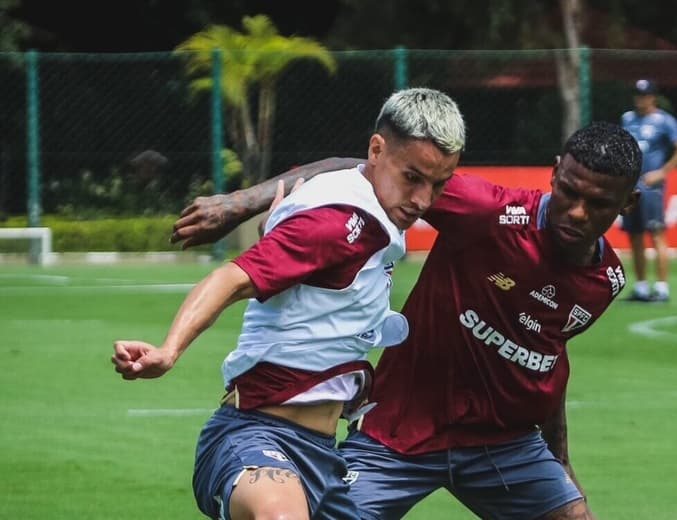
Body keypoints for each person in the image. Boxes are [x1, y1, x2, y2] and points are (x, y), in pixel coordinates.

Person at [170, 121, 642, 520]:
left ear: (628, 204)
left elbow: (546, 361)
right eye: (569, 192)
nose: (577, 212)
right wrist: (237, 204)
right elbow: (359, 168)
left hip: (503, 444)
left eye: (598, 204)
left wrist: (560, 462)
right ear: (555, 174)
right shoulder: (490, 211)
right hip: (396, 433)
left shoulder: (606, 281)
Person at [111, 87, 465, 520]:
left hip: (322, 457)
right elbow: (230, 278)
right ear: (377, 149)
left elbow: (338, 167)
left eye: (438, 184)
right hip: (255, 437)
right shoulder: (337, 223)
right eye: (413, 178)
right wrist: (169, 351)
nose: (423, 200)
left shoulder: (370, 205)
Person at [620, 79, 677, 302]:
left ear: (653, 97)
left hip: (651, 188)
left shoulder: (664, 121)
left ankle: (662, 288)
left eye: (644, 95)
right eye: (637, 94)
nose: (640, 99)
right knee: (634, 236)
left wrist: (662, 173)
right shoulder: (627, 119)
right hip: (630, 187)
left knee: (656, 234)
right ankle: (642, 287)